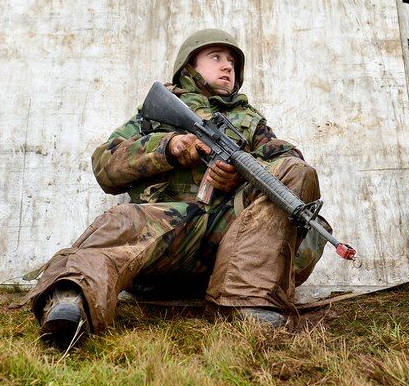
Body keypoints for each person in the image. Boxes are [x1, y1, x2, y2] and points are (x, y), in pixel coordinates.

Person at [29, 29, 329, 348]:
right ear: (189, 66)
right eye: (216, 58)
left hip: (236, 243)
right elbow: (104, 163)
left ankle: (246, 300)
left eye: (231, 62)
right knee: (121, 221)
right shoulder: (159, 115)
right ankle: (72, 298)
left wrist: (241, 175)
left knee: (297, 174)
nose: (227, 66)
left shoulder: (251, 123)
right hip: (166, 233)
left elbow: (290, 162)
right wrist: (167, 147)